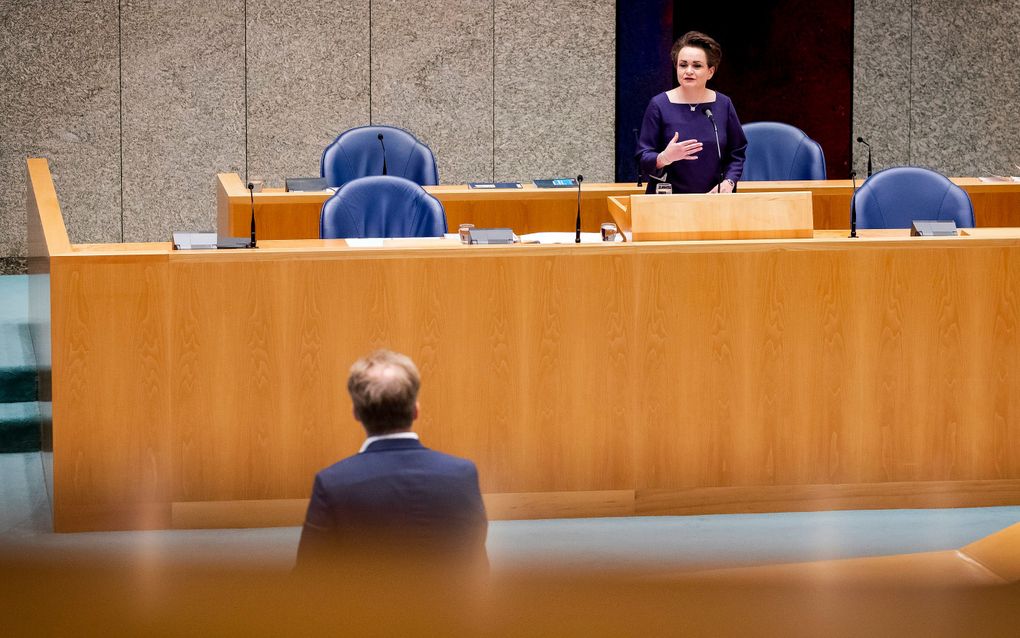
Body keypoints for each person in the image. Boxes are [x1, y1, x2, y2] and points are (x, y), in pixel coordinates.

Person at [295, 349, 488, 570]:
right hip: (447, 605)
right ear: (416, 411)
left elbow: (308, 575)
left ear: (356, 413)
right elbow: (476, 567)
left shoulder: (332, 483)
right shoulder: (461, 475)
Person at [636, 31, 747, 194]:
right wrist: (664, 158)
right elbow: (642, 158)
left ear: (710, 71)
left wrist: (729, 182)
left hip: (714, 199)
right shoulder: (659, 105)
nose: (688, 71)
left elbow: (737, 153)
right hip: (667, 202)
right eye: (683, 65)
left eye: (697, 65)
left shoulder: (723, 104)